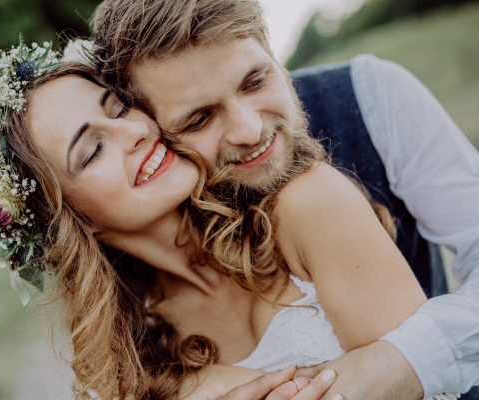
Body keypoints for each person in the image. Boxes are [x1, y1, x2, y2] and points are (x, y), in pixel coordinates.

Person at [88, 0, 479, 399]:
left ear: (273, 53)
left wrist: (404, 359)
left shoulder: (373, 94)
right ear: (155, 132)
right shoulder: (135, 306)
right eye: (200, 119)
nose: (250, 130)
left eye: (255, 81)